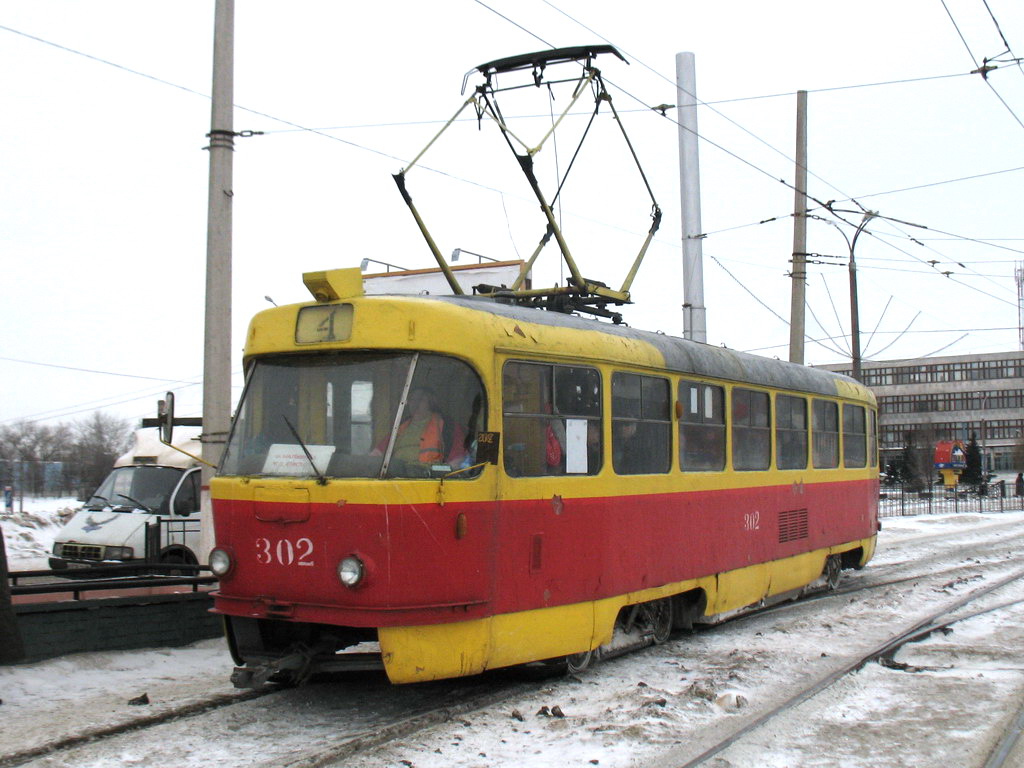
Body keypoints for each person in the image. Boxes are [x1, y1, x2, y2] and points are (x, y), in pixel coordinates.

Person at [374, 388, 466, 467]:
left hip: (428, 480)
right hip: (397, 477)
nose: (416, 404)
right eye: (412, 400)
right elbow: (378, 452)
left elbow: (458, 458)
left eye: (421, 400)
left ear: (431, 403)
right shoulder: (400, 426)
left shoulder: (447, 425)